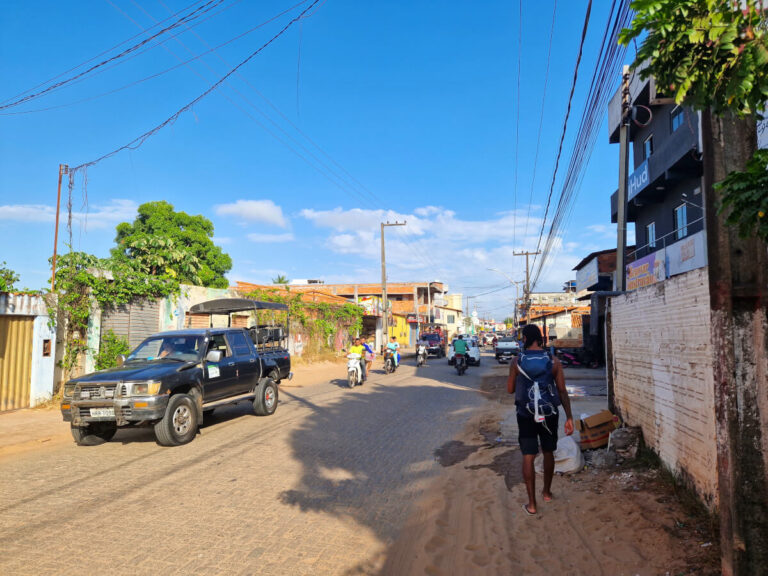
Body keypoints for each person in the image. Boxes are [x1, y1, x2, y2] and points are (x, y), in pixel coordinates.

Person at [507, 324, 574, 516]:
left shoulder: (516, 361)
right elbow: (562, 391)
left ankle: (532, 504)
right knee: (548, 452)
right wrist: (569, 417)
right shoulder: (553, 361)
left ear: (526, 339)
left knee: (528, 456)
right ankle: (546, 492)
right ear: (539, 338)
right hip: (549, 413)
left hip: (526, 414)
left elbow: (510, 390)